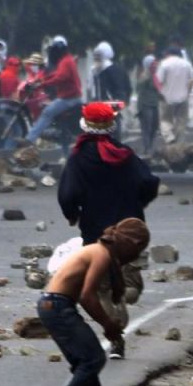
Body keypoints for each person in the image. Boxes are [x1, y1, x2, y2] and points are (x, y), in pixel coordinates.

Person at [58, 103, 160, 359]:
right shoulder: (125, 154)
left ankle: (115, 334)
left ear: (84, 124)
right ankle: (124, 296)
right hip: (130, 234)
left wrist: (73, 214)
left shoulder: (79, 157)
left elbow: (68, 193)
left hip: (97, 235)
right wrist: (138, 203)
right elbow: (148, 181)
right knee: (130, 283)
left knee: (102, 288)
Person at [39, 217, 150, 386]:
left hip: (54, 305)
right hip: (56, 305)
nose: (134, 257)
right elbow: (87, 296)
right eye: (137, 249)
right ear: (131, 243)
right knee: (94, 359)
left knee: (86, 360)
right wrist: (107, 325)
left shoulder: (102, 252)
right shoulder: (101, 254)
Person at [25, 37, 82, 152]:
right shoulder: (66, 60)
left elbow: (61, 77)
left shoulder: (65, 61)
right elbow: (56, 74)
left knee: (47, 112)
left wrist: (42, 84)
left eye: (55, 49)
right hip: (70, 97)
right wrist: (42, 80)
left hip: (69, 99)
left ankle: (29, 139)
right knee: (52, 113)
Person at [155, 47, 193, 144]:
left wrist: (160, 92)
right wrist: (187, 92)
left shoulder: (164, 64)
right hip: (183, 98)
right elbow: (191, 81)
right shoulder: (187, 64)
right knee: (181, 121)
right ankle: (179, 142)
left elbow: (158, 80)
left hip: (167, 98)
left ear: (169, 54)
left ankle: (169, 138)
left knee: (165, 120)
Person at [135, 55, 161, 155]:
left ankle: (149, 145)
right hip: (145, 105)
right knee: (147, 127)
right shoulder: (144, 76)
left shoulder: (155, 76)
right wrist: (139, 109)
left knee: (155, 126)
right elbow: (139, 90)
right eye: (152, 64)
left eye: (155, 64)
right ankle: (147, 147)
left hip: (154, 104)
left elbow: (159, 90)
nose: (155, 66)